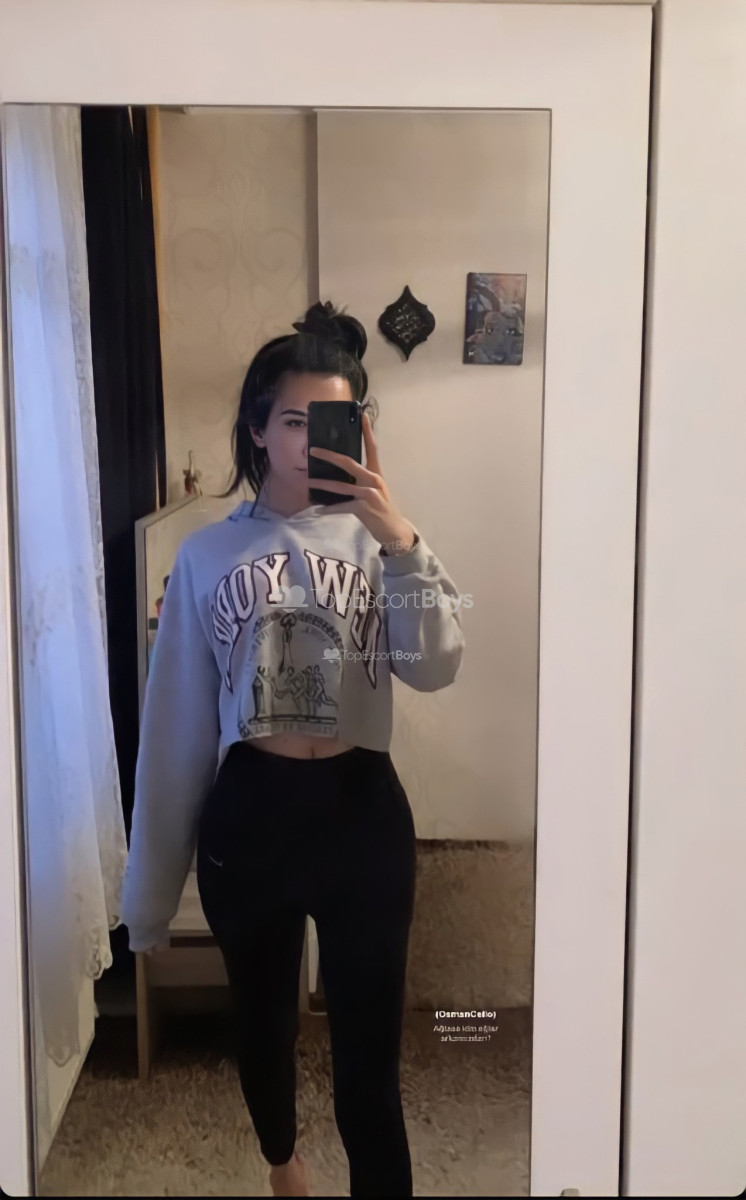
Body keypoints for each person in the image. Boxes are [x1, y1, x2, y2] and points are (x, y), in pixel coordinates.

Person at [119, 300, 466, 1197]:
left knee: (369, 1063)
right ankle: (282, 1160)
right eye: (295, 421)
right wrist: (148, 901)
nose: (314, 441)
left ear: (363, 430)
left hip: (362, 818)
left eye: (337, 421)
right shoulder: (205, 556)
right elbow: (176, 731)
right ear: (257, 429)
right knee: (264, 1030)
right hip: (252, 822)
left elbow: (434, 667)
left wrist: (401, 540)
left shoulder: (385, 543)